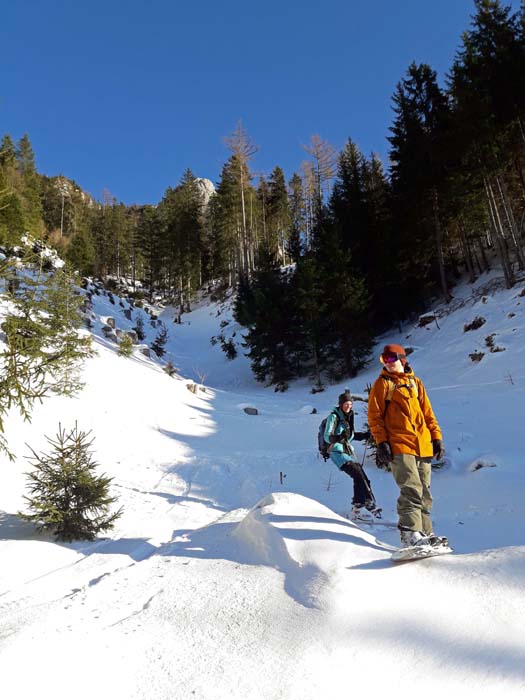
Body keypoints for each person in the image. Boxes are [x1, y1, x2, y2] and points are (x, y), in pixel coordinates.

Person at [367, 343, 446, 548]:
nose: (388, 363)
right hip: (399, 444)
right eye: (384, 359)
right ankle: (410, 534)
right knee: (411, 488)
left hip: (422, 445)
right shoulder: (382, 384)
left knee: (425, 492)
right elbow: (374, 416)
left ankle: (426, 534)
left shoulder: (416, 383)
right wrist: (381, 441)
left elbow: (428, 413)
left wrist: (436, 437)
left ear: (402, 359)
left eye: (391, 358)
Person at [324, 389, 381, 520]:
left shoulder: (348, 417)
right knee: (357, 475)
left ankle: (367, 503)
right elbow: (327, 436)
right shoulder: (334, 416)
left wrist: (365, 435)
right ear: (340, 404)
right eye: (346, 404)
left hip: (347, 451)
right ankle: (358, 507)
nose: (348, 406)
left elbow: (350, 436)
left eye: (350, 404)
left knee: (363, 477)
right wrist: (338, 437)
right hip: (336, 452)